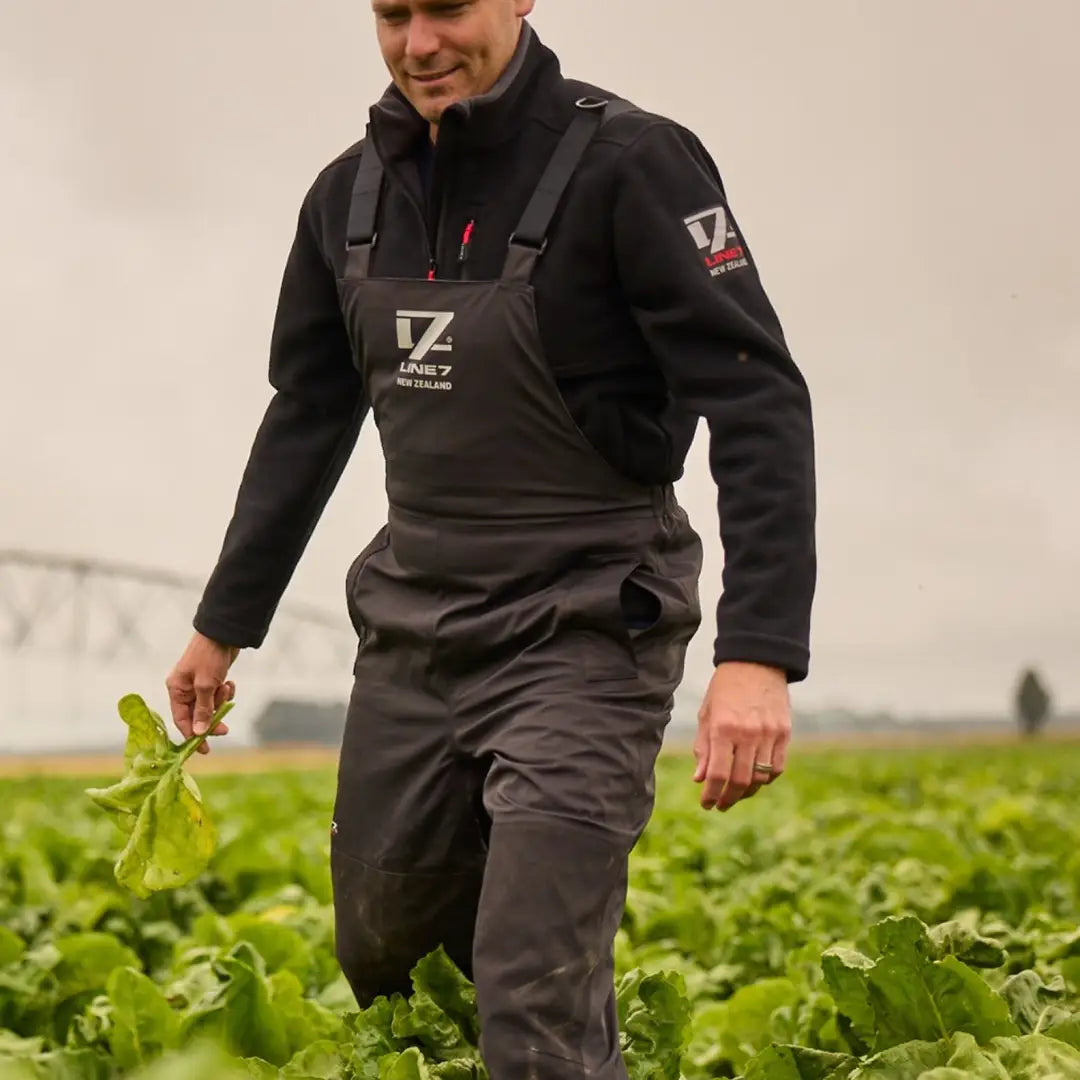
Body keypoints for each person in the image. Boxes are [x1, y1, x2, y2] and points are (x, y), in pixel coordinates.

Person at [165, 1, 816, 1076]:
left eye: (448, 8)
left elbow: (759, 405)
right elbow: (306, 416)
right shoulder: (348, 197)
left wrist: (756, 654)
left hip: (587, 623)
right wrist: (223, 625)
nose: (419, 45)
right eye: (391, 13)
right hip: (415, 626)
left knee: (532, 989)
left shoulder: (634, 165)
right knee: (391, 963)